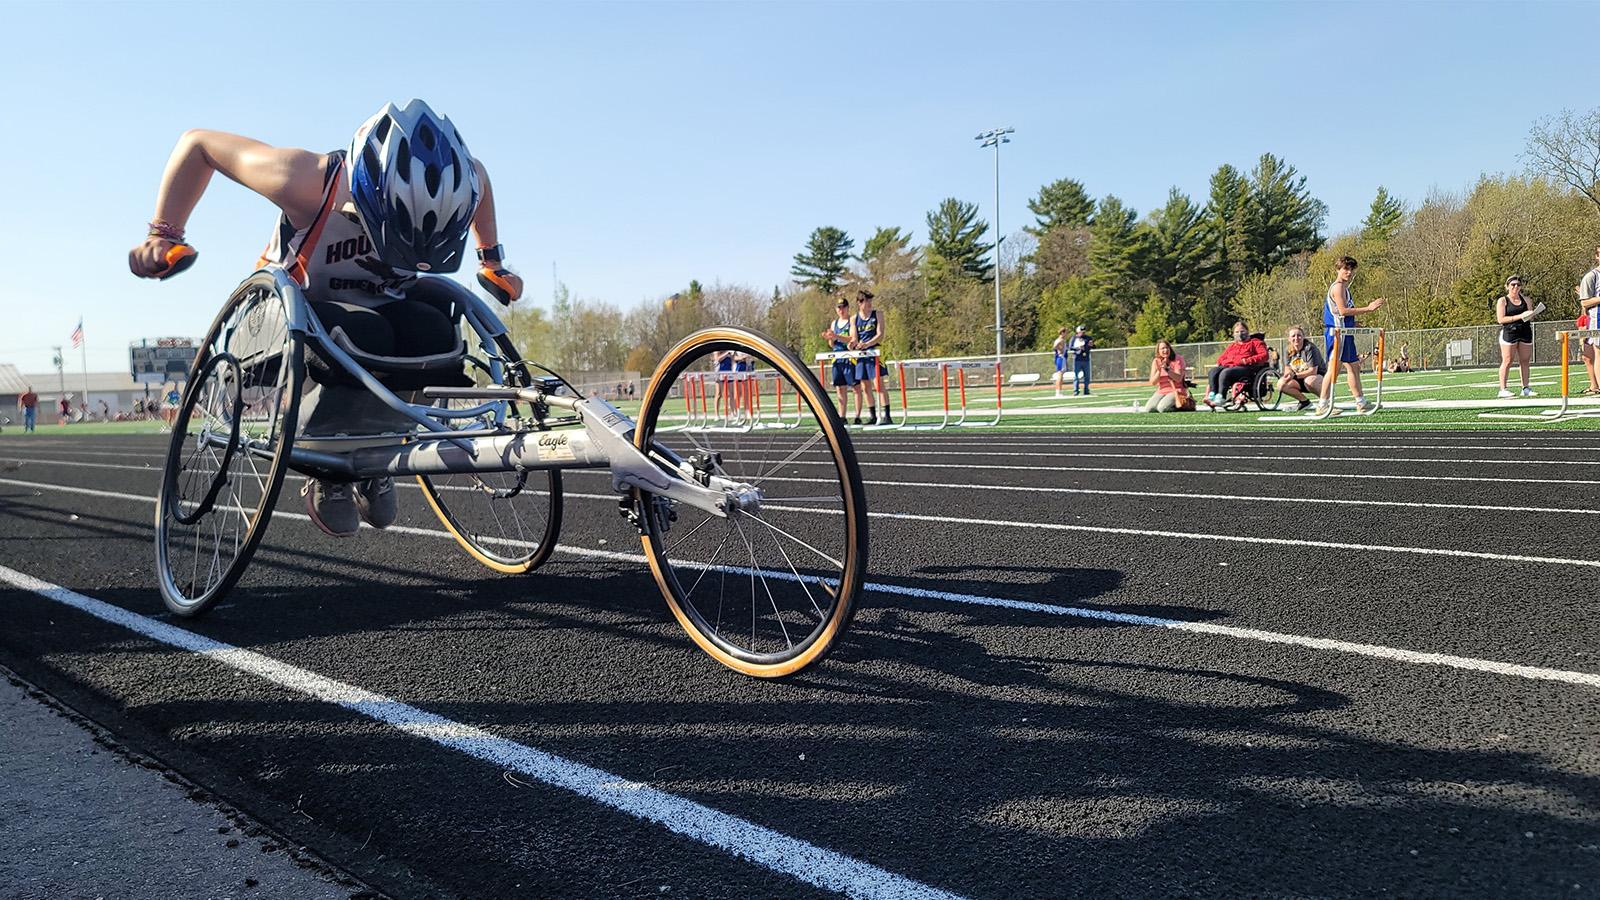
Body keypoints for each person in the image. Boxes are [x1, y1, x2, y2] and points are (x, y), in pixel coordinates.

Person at [128, 100, 523, 537]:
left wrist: (492, 260)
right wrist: (163, 233)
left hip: (380, 305)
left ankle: (378, 451)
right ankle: (331, 470)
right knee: (362, 331)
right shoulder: (304, 178)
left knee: (434, 332)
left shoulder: (464, 179)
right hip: (285, 315)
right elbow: (198, 143)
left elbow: (480, 177)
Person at [1317, 256, 1385, 414]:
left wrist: (1352, 323)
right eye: (1345, 269)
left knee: (1353, 366)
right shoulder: (1338, 287)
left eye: (1351, 269)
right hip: (1337, 334)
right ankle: (1322, 404)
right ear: (1338, 270)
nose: (1349, 272)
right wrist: (1368, 308)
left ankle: (1360, 402)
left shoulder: (1345, 288)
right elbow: (1342, 311)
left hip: (1346, 331)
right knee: (1334, 368)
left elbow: (1340, 314)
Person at [1204, 321, 1269, 411]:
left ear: (1247, 331)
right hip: (1230, 366)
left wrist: (1246, 360)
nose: (1240, 334)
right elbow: (1222, 357)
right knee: (1213, 371)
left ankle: (1221, 397)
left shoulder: (1255, 342)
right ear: (1233, 334)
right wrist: (1222, 363)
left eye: (1242, 331)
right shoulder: (1233, 345)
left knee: (1225, 372)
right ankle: (1213, 394)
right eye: (1237, 332)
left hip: (1247, 368)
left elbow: (1264, 355)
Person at [849, 290, 891, 424]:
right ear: (859, 303)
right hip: (862, 354)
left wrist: (867, 344)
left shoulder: (878, 314)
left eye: (870, 301)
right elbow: (854, 337)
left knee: (878, 384)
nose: (869, 304)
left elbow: (880, 334)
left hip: (875, 351)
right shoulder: (854, 319)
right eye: (866, 301)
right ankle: (872, 415)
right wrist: (852, 344)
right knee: (865, 386)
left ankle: (887, 415)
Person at [1495, 274, 1538, 398]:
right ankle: (1503, 389)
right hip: (1509, 332)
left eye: (1518, 285)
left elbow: (1530, 316)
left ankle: (1525, 388)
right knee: (1507, 360)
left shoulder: (1526, 300)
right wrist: (1519, 316)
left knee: (1525, 360)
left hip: (1525, 331)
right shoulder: (1503, 300)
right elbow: (1501, 319)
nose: (1515, 287)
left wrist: (1531, 314)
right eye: (1513, 285)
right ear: (1507, 286)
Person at [822, 298, 858, 418]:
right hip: (837, 359)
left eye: (843, 307)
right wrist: (830, 338)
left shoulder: (851, 321)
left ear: (847, 308)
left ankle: (857, 416)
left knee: (855, 387)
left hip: (849, 357)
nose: (841, 310)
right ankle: (842, 416)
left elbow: (852, 338)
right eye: (839, 307)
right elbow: (832, 345)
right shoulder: (834, 323)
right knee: (840, 388)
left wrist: (836, 336)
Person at [1276, 326, 1325, 411]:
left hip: (1316, 377)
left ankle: (1325, 401)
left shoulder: (1310, 348)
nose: (1296, 338)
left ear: (1303, 337)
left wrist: (1294, 376)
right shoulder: (1287, 350)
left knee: (1310, 381)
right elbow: (1287, 367)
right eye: (1293, 336)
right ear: (1289, 338)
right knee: (1281, 383)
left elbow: (1313, 371)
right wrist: (1288, 374)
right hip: (1299, 378)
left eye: (1299, 335)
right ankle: (1304, 402)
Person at [1141, 339, 1189, 412]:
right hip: (1162, 390)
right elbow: (1153, 382)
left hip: (1176, 390)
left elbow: (1178, 378)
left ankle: (1180, 406)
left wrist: (1167, 370)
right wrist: (1159, 371)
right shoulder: (1156, 361)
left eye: (1167, 347)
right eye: (1162, 348)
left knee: (1162, 408)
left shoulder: (1178, 359)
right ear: (1158, 351)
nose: (1165, 350)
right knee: (1149, 409)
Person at [1577, 245, 1600, 395]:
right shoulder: (1591, 276)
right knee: (1597, 353)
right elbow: (1584, 302)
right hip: (1597, 318)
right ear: (1597, 256)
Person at [1068, 325, 1093, 395]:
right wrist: (1078, 348)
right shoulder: (1074, 338)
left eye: (1083, 332)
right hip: (1077, 359)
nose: (1082, 333)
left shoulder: (1088, 338)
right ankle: (1076, 390)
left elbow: (1092, 346)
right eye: (1081, 332)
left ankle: (1086, 390)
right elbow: (1070, 347)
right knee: (1076, 376)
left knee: (1087, 376)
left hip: (1086, 359)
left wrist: (1090, 345)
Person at [1051, 327, 1069, 398]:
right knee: (1060, 375)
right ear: (1062, 333)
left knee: (1061, 375)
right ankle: (1058, 392)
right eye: (1066, 332)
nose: (1067, 334)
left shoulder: (1062, 340)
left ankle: (1059, 391)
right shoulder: (1060, 340)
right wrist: (1059, 349)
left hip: (1061, 357)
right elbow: (1054, 346)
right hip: (1060, 357)